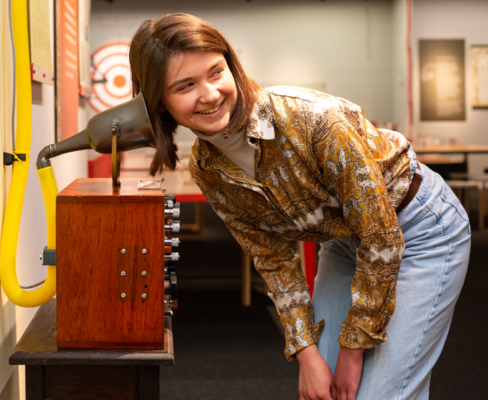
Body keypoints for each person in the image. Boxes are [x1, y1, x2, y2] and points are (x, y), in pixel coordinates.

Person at [129, 13, 470, 400]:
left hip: (419, 227)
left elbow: (381, 236)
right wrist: (306, 353)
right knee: (325, 389)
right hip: (345, 241)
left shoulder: (312, 120)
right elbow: (273, 259)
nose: (209, 94)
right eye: (185, 85)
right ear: (158, 102)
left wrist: (351, 351)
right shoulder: (209, 169)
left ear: (231, 66)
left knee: (377, 393)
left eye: (215, 72)